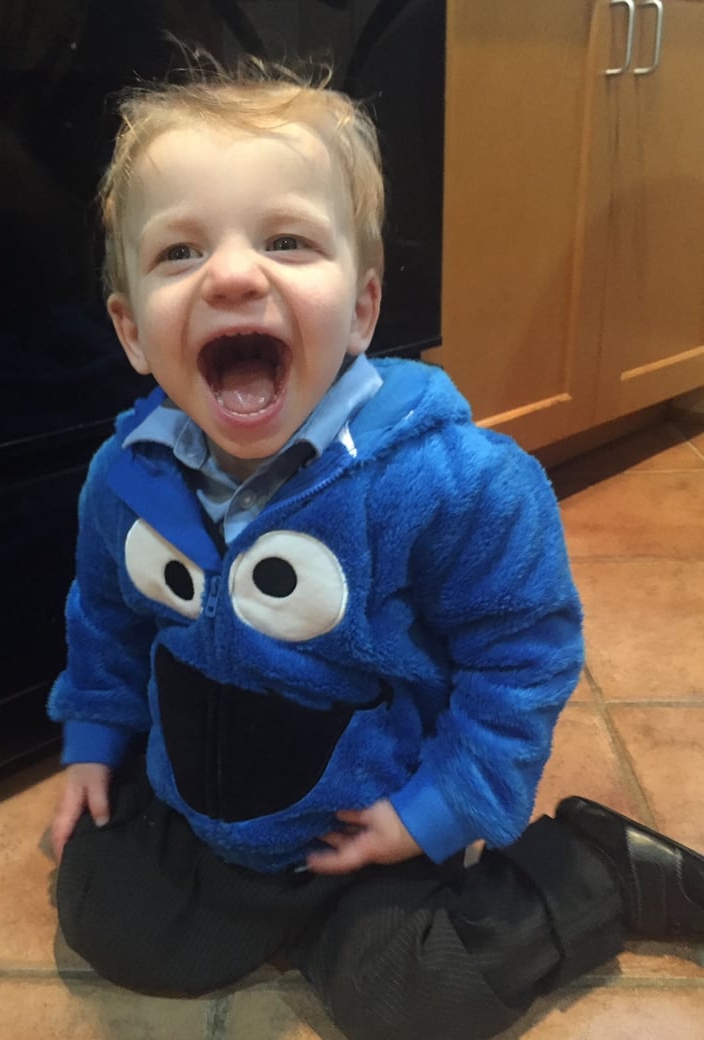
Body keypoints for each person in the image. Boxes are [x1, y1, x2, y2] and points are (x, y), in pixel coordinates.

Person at [47, 55, 704, 1040]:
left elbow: (520, 656)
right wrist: (97, 740)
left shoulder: (451, 483)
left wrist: (441, 808)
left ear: (361, 308)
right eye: (180, 251)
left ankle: (595, 867)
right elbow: (106, 616)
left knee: (418, 999)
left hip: (376, 813)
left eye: (285, 239)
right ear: (133, 328)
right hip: (212, 801)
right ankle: (258, 892)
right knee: (105, 914)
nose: (231, 272)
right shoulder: (124, 477)